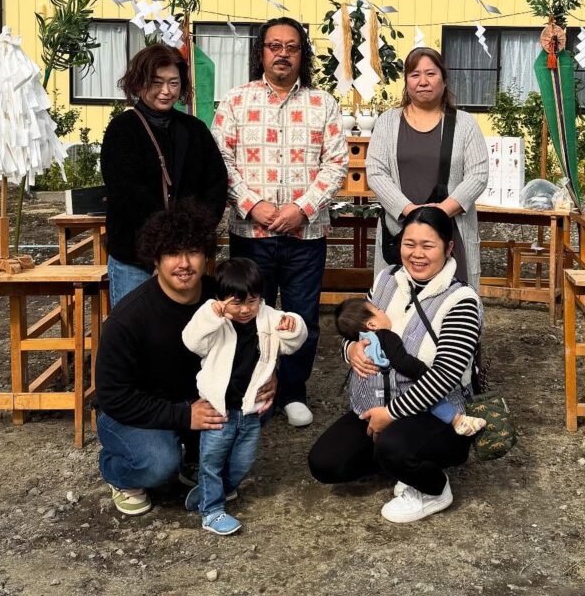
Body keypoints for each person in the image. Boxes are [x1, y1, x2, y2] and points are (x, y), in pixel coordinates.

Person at [94, 205, 276, 517]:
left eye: (193, 252)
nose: (184, 263)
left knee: (257, 408)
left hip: (197, 400)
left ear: (206, 255)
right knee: (158, 464)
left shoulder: (224, 298)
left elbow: (261, 338)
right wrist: (183, 416)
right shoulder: (129, 318)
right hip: (135, 409)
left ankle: (194, 456)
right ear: (155, 259)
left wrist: (269, 376)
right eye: (172, 254)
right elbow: (113, 396)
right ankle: (118, 472)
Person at [212, 17, 348, 427]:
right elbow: (221, 161)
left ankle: (292, 392)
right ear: (262, 52)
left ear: (302, 55)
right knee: (248, 311)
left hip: (305, 233)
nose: (283, 54)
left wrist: (301, 209)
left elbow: (336, 163)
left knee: (301, 316)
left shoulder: (323, 104)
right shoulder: (236, 101)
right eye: (275, 46)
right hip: (250, 232)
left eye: (292, 47)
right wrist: (252, 204)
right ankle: (251, 389)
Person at [308, 206, 483, 524]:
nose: (417, 254)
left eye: (428, 246)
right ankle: (400, 460)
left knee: (394, 446)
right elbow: (357, 329)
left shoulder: (461, 301)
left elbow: (445, 375)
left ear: (448, 248)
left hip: (436, 412)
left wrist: (390, 415)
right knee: (326, 463)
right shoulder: (387, 279)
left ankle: (433, 488)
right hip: (376, 401)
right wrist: (351, 350)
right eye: (409, 244)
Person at [181, 258, 307, 535]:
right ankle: (211, 510)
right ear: (220, 300)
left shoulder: (267, 317)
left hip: (251, 410)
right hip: (218, 410)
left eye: (252, 301)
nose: (245, 309)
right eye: (236, 303)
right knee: (211, 462)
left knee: (242, 463)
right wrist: (213, 315)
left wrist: (293, 326)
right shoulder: (213, 320)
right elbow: (192, 341)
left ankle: (212, 491)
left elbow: (293, 343)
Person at [101, 44, 228, 308]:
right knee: (135, 328)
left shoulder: (195, 129)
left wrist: (192, 237)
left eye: (174, 82)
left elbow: (215, 186)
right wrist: (160, 248)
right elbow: (126, 195)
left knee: (188, 329)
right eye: (157, 82)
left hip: (186, 258)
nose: (166, 91)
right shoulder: (122, 130)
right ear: (139, 82)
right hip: (134, 258)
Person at [365, 47, 489, 289]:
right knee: (395, 299)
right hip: (400, 230)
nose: (423, 81)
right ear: (406, 82)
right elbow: (376, 173)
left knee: (454, 299)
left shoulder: (464, 124)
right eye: (415, 75)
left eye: (430, 74)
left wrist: (440, 213)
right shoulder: (387, 122)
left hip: (451, 229)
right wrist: (410, 212)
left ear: (444, 79)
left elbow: (478, 175)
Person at [334, 297, 485, 438]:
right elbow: (402, 361)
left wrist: (350, 348)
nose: (383, 310)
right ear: (372, 325)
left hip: (368, 403)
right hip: (396, 397)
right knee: (431, 397)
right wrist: (424, 372)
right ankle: (458, 421)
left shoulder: (360, 342)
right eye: (378, 310)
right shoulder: (385, 336)